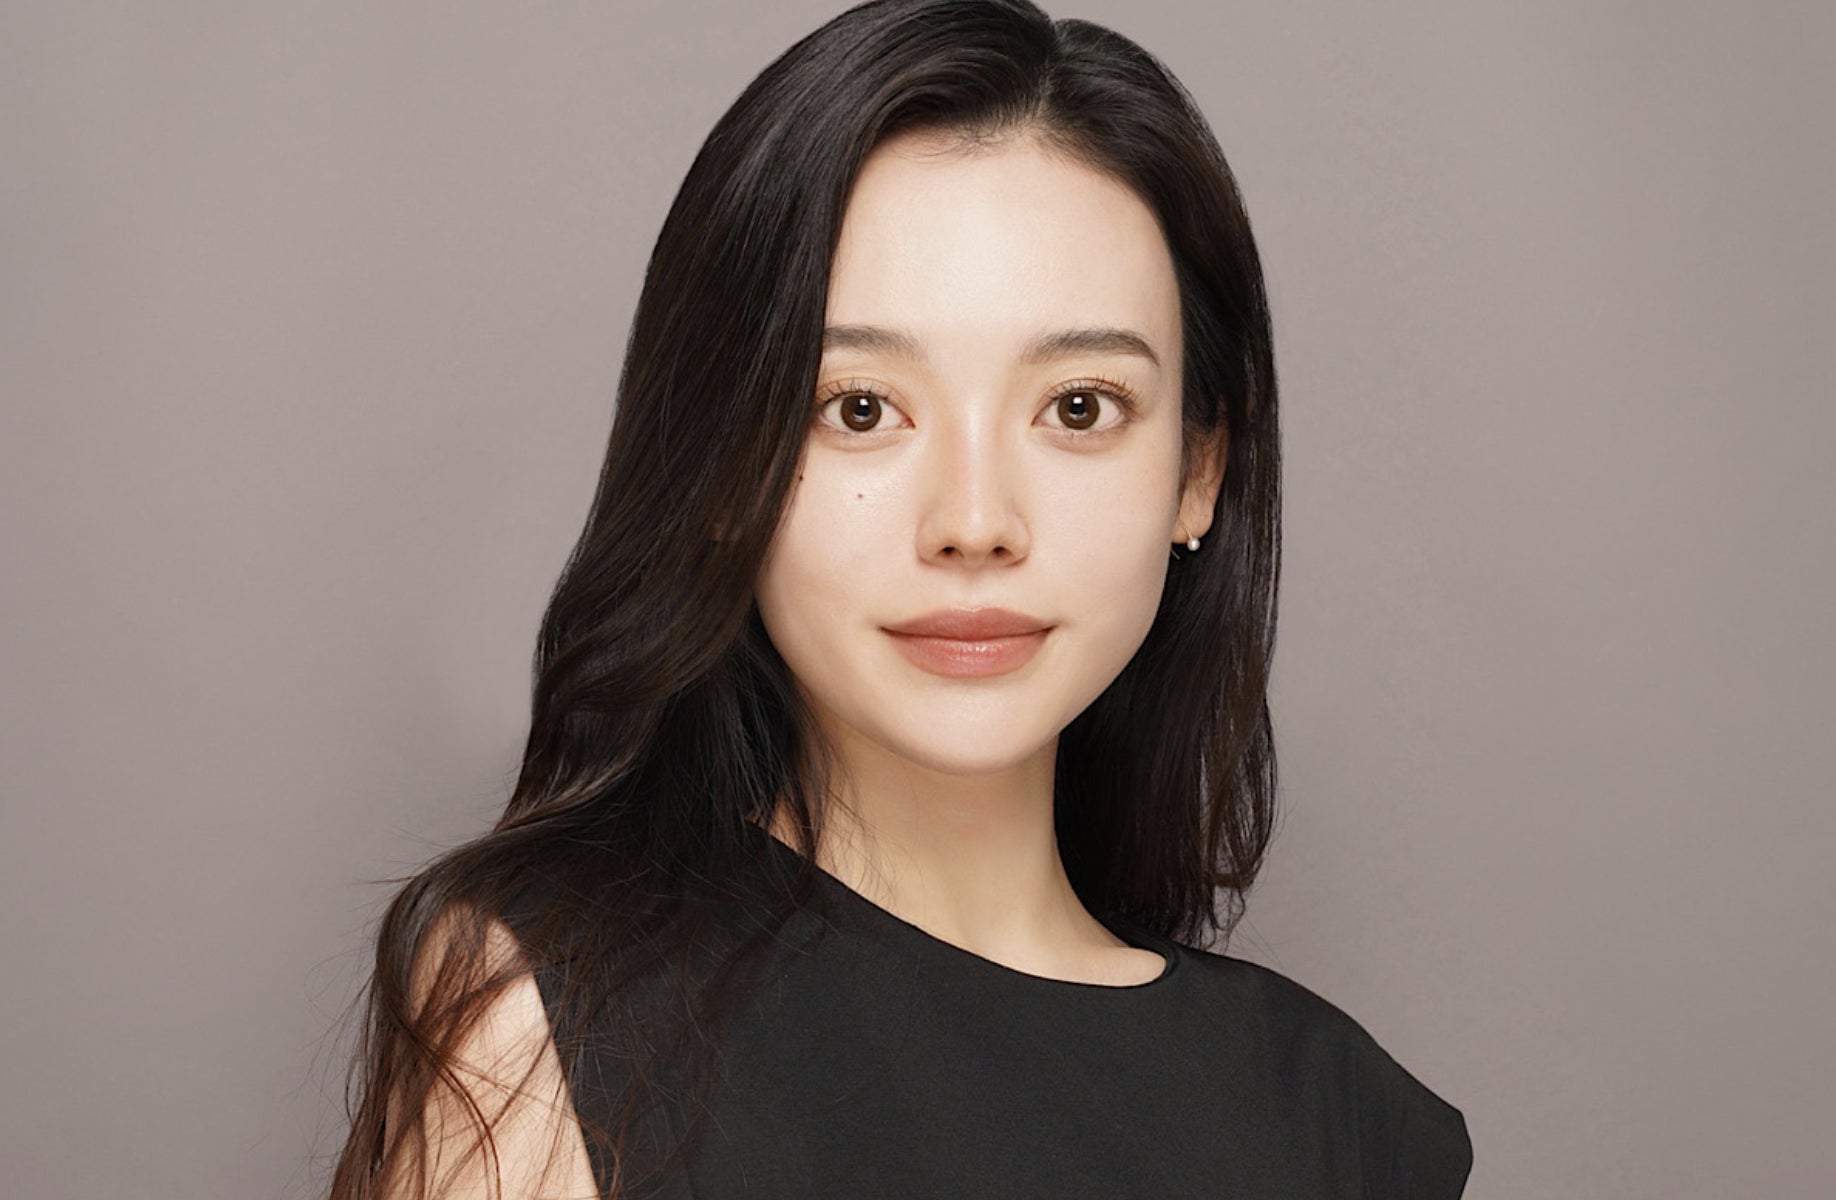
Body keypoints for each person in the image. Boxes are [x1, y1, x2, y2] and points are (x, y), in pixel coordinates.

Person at [326, 1, 1473, 1197]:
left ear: (1198, 471)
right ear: (724, 464)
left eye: (1078, 407)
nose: (974, 520)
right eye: (860, 408)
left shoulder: (1341, 1123)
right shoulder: (547, 1005)